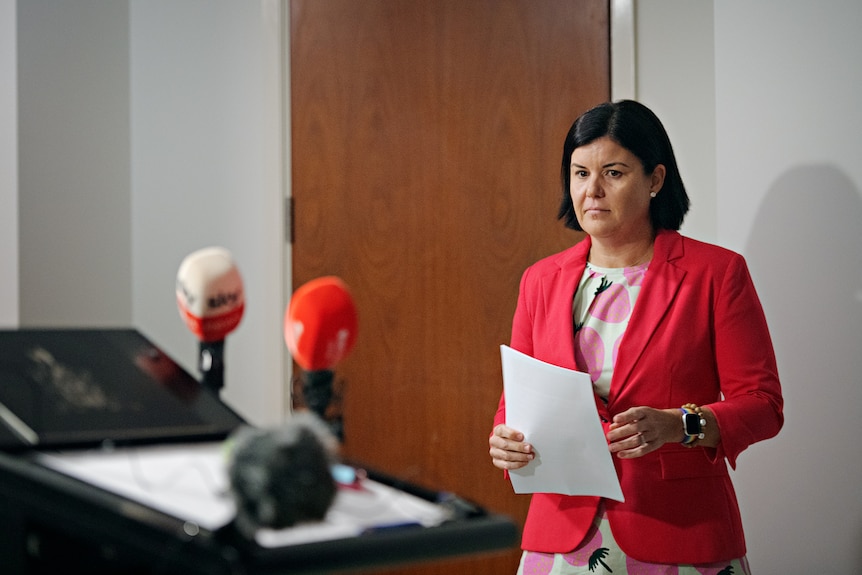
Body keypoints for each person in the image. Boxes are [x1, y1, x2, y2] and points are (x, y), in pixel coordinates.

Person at [488, 100, 783, 574]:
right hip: (563, 537)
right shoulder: (539, 280)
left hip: (680, 531)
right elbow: (518, 402)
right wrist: (505, 441)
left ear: (656, 179)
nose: (593, 191)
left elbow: (763, 404)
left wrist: (678, 424)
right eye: (580, 173)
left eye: (614, 173)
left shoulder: (716, 273)